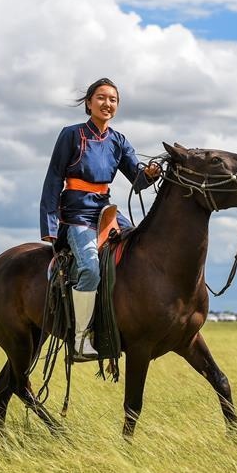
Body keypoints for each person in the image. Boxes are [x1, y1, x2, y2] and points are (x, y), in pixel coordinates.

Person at [40, 78, 160, 361]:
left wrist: (151, 174)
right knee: (91, 269)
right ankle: (81, 340)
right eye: (102, 98)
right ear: (89, 103)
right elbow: (53, 179)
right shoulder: (71, 135)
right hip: (75, 215)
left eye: (113, 100)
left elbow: (138, 180)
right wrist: (50, 226)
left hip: (106, 212)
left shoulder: (119, 141)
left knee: (140, 250)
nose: (108, 104)